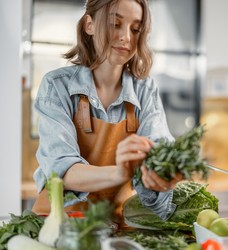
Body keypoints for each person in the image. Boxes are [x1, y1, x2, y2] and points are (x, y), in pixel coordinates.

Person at [32, 0, 183, 223]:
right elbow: (61, 169)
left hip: (116, 225)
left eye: (135, 29)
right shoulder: (56, 86)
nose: (126, 38)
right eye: (115, 24)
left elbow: (160, 147)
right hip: (60, 226)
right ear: (89, 25)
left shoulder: (145, 90)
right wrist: (121, 173)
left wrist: (165, 171)